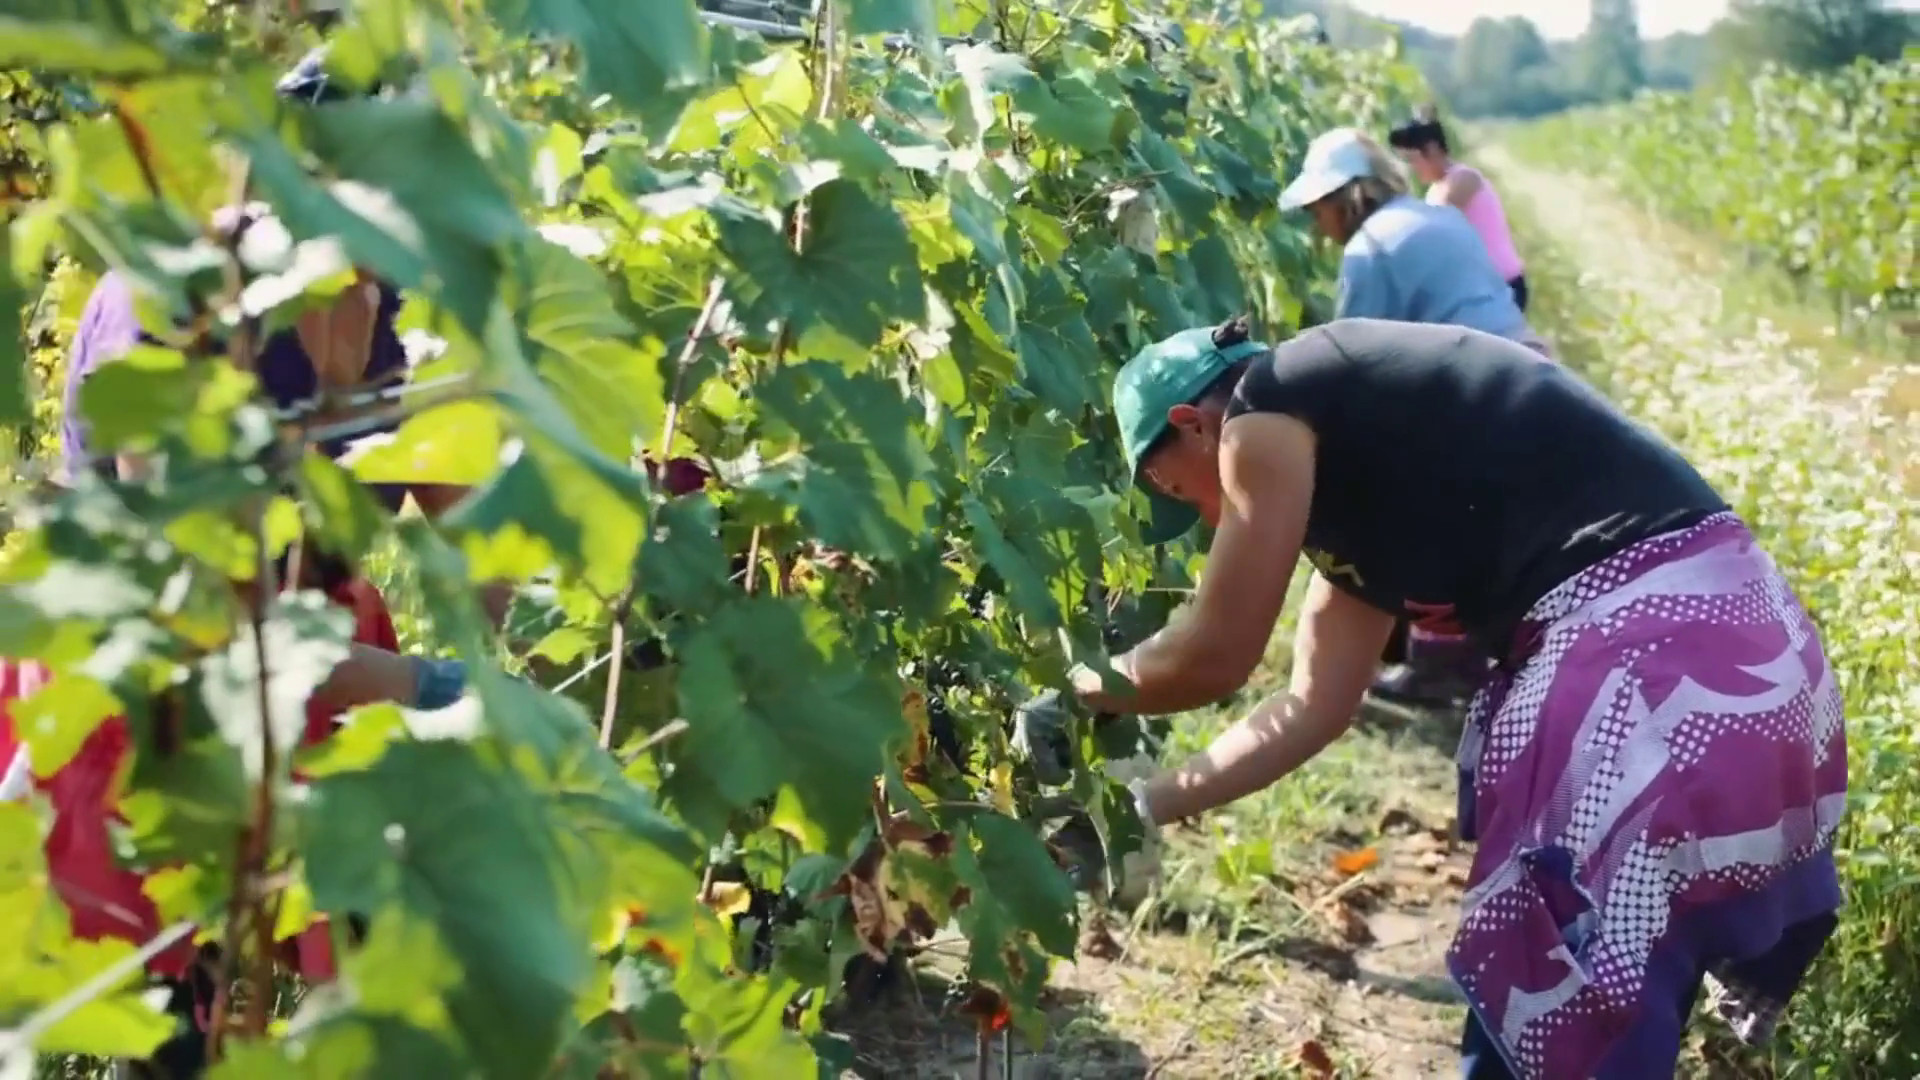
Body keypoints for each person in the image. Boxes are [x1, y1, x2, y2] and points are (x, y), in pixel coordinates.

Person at [1034, 316, 1846, 1079]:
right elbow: (1311, 707)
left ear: (1195, 422)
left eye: (1184, 494)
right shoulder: (1371, 487)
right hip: (1760, 667)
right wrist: (1139, 807)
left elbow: (1216, 655)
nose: (1213, 520)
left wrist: (1072, 695)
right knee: (1612, 1011)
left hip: (1647, 681)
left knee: (1543, 1005)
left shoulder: (1263, 403)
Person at [1279, 126, 1548, 707]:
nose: (1317, 225)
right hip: (1531, 371)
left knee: (1417, 508)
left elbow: (1349, 364)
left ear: (1344, 198)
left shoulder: (1369, 248)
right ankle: (1481, 657)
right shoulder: (1440, 217)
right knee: (1490, 528)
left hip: (1474, 392)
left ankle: (1436, 665)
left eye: (1318, 209)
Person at [1388, 114, 1529, 313]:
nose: (1411, 168)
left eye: (1412, 159)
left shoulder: (1463, 178)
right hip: (1480, 291)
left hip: (1503, 285)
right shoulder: (1435, 190)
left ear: (1432, 149)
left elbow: (1430, 223)